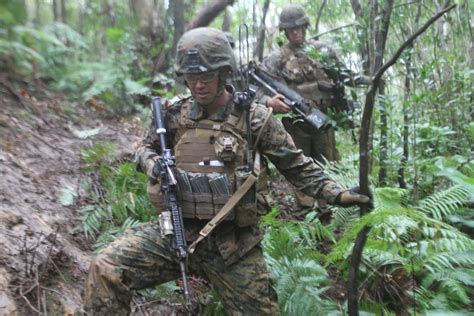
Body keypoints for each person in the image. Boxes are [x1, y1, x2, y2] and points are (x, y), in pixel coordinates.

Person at [83, 27, 370, 315]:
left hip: (233, 247)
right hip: (175, 233)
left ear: (223, 73)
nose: (197, 86)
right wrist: (152, 163)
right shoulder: (173, 115)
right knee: (105, 267)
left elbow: (297, 167)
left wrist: (339, 195)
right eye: (191, 78)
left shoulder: (255, 119)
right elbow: (144, 149)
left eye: (205, 77)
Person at [258, 4, 372, 211]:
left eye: (298, 28)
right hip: (295, 123)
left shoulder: (322, 51)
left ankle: (329, 208)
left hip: (323, 120)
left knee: (328, 163)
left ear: (305, 27)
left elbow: (344, 75)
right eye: (290, 29)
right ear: (284, 31)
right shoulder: (276, 58)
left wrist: (370, 80)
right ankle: (306, 211)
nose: (295, 32)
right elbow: (257, 89)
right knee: (300, 163)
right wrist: (269, 101)